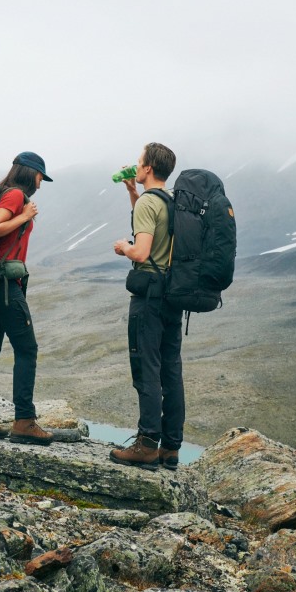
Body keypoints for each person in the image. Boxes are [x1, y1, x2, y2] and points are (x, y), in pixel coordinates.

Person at [0, 151, 54, 446]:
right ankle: (24, 421)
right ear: (30, 173)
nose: (41, 183)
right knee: (27, 349)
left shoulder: (5, 193)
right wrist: (25, 216)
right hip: (4, 285)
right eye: (41, 176)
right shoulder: (15, 195)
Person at [110, 142, 184, 470]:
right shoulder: (172, 200)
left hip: (149, 296)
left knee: (147, 368)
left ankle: (147, 444)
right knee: (171, 370)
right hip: (173, 294)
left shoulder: (148, 203)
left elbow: (141, 252)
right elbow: (156, 229)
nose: (136, 166)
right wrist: (132, 193)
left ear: (149, 168)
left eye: (139, 162)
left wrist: (123, 247)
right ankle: (170, 447)